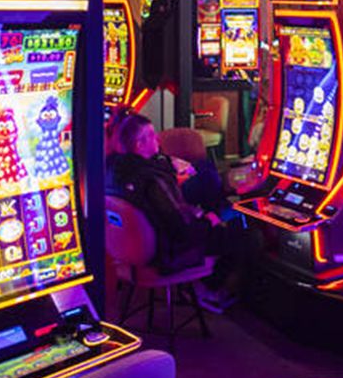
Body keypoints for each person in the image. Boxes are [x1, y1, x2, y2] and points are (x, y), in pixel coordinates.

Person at [106, 112, 251, 310]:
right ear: (139, 145)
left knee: (209, 181)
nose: (157, 138)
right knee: (248, 235)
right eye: (151, 135)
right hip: (168, 252)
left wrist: (195, 212)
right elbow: (182, 232)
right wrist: (212, 220)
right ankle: (209, 290)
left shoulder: (112, 170)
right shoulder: (152, 180)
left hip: (129, 250)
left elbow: (167, 214)